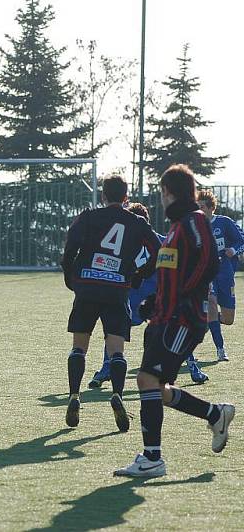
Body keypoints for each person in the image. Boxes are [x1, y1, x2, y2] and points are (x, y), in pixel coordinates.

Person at [114, 164, 234, 478]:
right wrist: (156, 301)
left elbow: (208, 261)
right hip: (165, 317)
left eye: (162, 192)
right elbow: (175, 269)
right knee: (154, 385)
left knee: (148, 381)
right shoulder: (179, 224)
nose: (161, 198)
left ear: (169, 192)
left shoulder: (193, 221)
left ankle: (153, 458)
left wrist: (182, 299)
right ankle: (215, 413)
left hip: (183, 319)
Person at [61, 176, 161, 432]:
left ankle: (74, 396)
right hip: (117, 290)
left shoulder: (89, 216)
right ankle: (117, 393)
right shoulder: (137, 222)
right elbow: (159, 249)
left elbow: (70, 245)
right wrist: (140, 274)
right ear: (126, 199)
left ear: (103, 196)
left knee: (79, 347)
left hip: (87, 288)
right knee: (116, 350)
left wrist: (71, 275)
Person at [87, 203, 209, 386]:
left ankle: (192, 367)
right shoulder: (151, 241)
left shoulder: (139, 243)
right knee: (166, 328)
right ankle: (107, 369)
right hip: (145, 299)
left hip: (146, 299)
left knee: (116, 331)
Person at [197, 189, 244, 362]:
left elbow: (242, 240)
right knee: (211, 301)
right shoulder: (196, 227)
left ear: (211, 208)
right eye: (197, 207)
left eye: (202, 207)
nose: (199, 210)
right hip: (206, 275)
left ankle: (207, 319)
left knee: (228, 318)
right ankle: (220, 349)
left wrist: (233, 250)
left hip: (225, 274)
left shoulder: (224, 223)